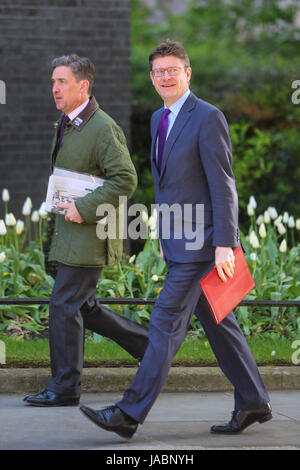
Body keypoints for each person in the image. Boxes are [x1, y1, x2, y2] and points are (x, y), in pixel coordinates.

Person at [80, 40, 272, 437]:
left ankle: (128, 413)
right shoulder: (158, 119)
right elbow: (170, 186)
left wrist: (225, 242)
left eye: (173, 70)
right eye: (159, 72)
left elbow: (223, 185)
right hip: (178, 240)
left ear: (188, 73)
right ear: (152, 78)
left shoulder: (207, 117)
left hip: (203, 246)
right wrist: (164, 236)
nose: (165, 77)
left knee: (165, 323)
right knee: (221, 325)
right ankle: (254, 401)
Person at [24, 54, 148, 407]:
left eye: (61, 82)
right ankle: (149, 346)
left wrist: (83, 208)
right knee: (84, 307)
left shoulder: (102, 127)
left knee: (64, 305)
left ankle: (64, 388)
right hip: (71, 233)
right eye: (53, 82)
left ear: (84, 86)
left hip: (90, 234)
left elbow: (125, 179)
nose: (54, 89)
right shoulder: (68, 123)